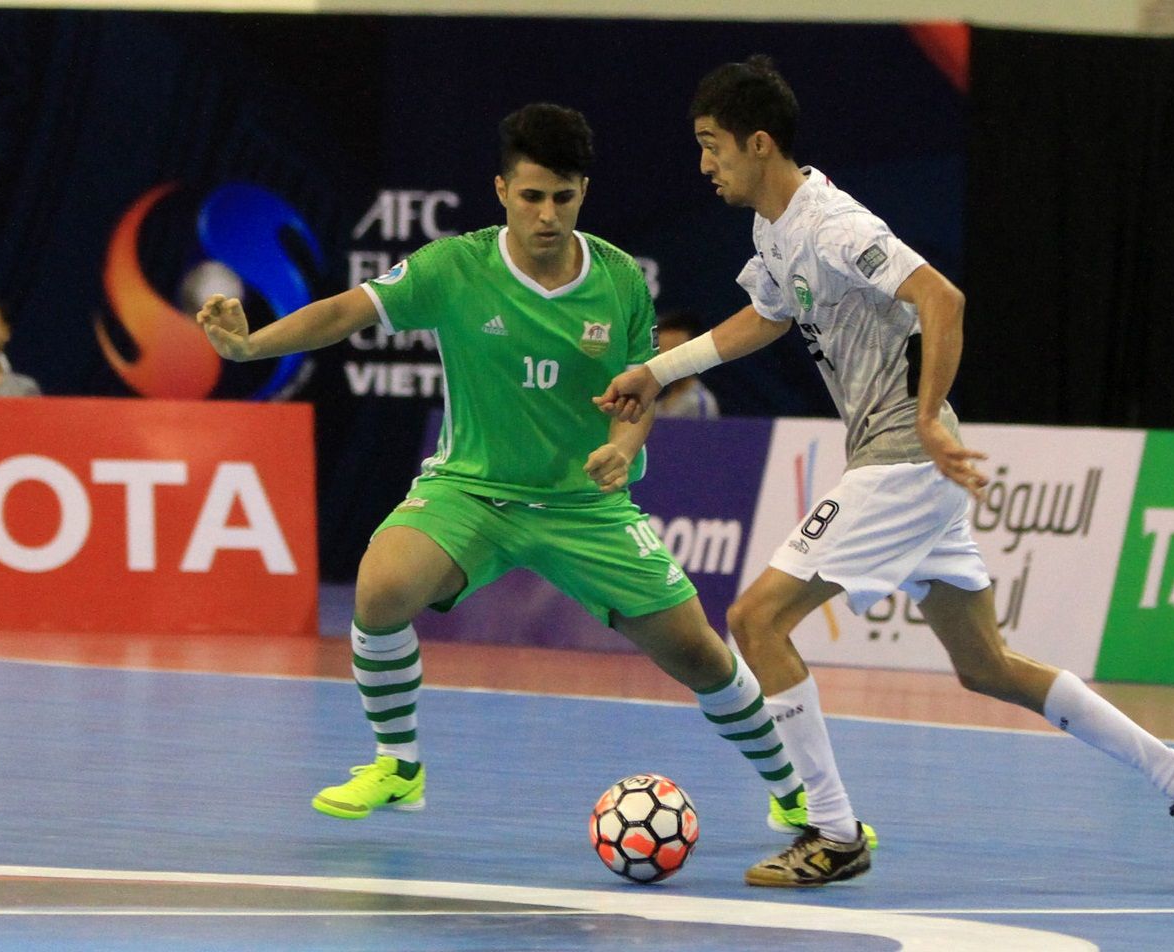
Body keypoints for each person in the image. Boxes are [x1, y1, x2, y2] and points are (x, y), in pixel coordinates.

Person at [596, 57, 1174, 888]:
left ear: (760, 143)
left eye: (714, 146)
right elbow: (767, 316)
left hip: (902, 455)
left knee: (756, 622)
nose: (705, 165)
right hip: (900, 464)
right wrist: (662, 370)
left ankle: (832, 834)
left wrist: (929, 415)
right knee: (987, 666)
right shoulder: (776, 231)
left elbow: (943, 299)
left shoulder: (833, 225)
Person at [196, 104, 824, 866]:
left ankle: (796, 791)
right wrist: (254, 344)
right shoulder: (454, 267)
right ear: (501, 190)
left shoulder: (619, 280)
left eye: (562, 196)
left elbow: (639, 393)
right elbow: (346, 312)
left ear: (582, 193)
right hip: (472, 492)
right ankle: (398, 767)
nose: (547, 214)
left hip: (585, 506)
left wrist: (623, 451)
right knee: (380, 588)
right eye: (531, 196)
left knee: (699, 654)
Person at [651, 309, 720, 419]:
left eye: (676, 353)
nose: (668, 362)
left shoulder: (700, 403)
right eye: (662, 353)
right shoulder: (657, 405)